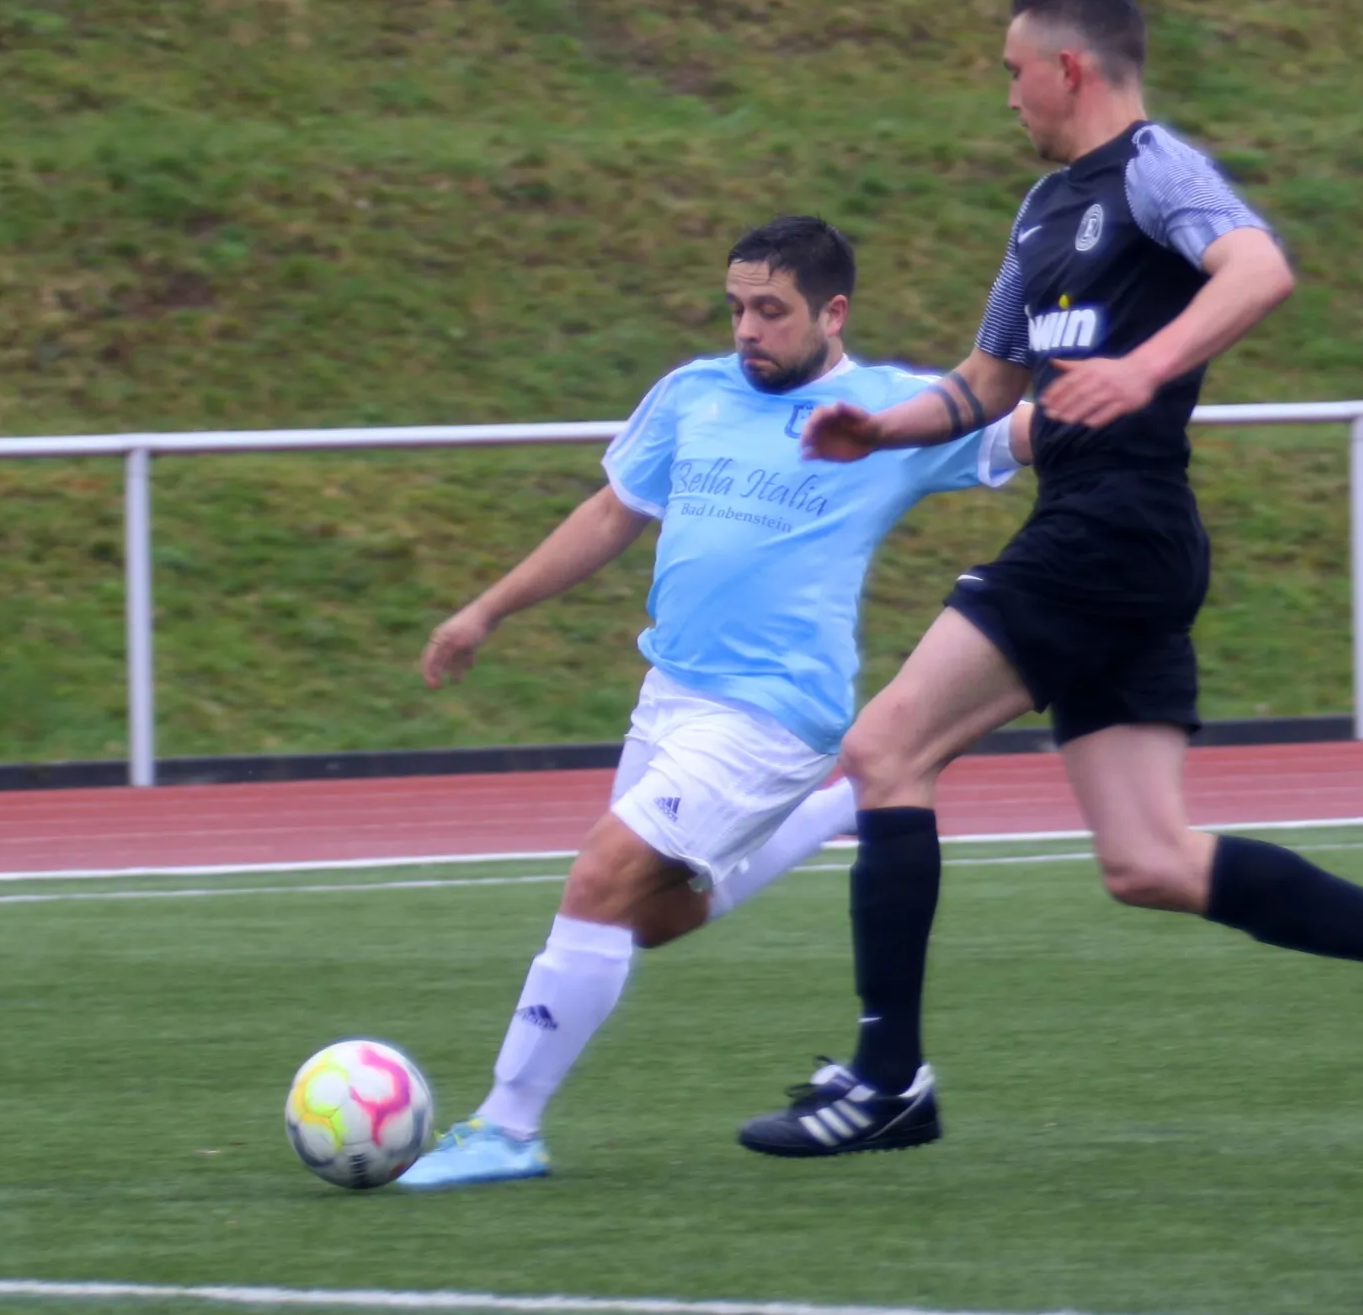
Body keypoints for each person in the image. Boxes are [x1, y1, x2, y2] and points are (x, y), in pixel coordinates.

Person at [736, 0, 1363, 1161]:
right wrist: (878, 428)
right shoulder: (1041, 208)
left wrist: (1145, 369)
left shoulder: (1154, 169)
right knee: (1147, 861)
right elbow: (985, 382)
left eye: (1012, 71)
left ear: (1069, 68)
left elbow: (1256, 269)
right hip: (1112, 535)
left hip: (1113, 527)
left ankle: (888, 1078)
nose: (1005, 94)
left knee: (886, 749)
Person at [395, 216, 1033, 1188]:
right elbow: (610, 512)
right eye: (736, 307)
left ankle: (506, 1126)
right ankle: (838, 806)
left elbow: (1024, 430)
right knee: (647, 916)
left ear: (832, 312)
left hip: (772, 711)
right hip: (671, 695)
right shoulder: (692, 393)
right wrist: (487, 609)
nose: (746, 329)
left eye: (770, 310)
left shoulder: (892, 411)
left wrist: (1133, 388)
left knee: (600, 875)